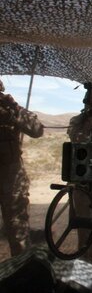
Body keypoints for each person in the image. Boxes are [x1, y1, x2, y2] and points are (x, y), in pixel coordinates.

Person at [0, 79, 44, 256]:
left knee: (18, 227)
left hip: (11, 173)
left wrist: (14, 111)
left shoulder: (9, 108)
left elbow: (37, 130)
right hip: (11, 172)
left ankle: (21, 272)